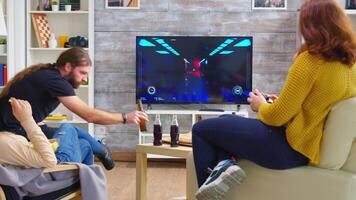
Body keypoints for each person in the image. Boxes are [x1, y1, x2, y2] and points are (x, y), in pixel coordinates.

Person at [192, 0, 356, 199]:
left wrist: (260, 105)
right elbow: (316, 106)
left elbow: (276, 117)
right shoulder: (349, 64)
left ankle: (207, 193)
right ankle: (223, 174)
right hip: (307, 149)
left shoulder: (310, 61)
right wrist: (278, 102)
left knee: (201, 130)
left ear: (311, 27)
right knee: (223, 123)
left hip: (287, 147)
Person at [0, 47, 148, 170]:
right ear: (68, 66)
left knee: (80, 139)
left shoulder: (47, 74)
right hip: (11, 134)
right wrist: (124, 117)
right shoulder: (55, 81)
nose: (85, 79)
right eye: (82, 73)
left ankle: (97, 153)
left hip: (19, 128)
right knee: (68, 128)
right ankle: (100, 150)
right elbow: (89, 115)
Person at [0, 98, 94, 168]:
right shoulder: (3, 143)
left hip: (45, 162)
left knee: (84, 143)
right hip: (56, 166)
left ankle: (88, 182)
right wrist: (27, 119)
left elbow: (22, 152)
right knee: (67, 127)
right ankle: (101, 150)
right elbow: (49, 161)